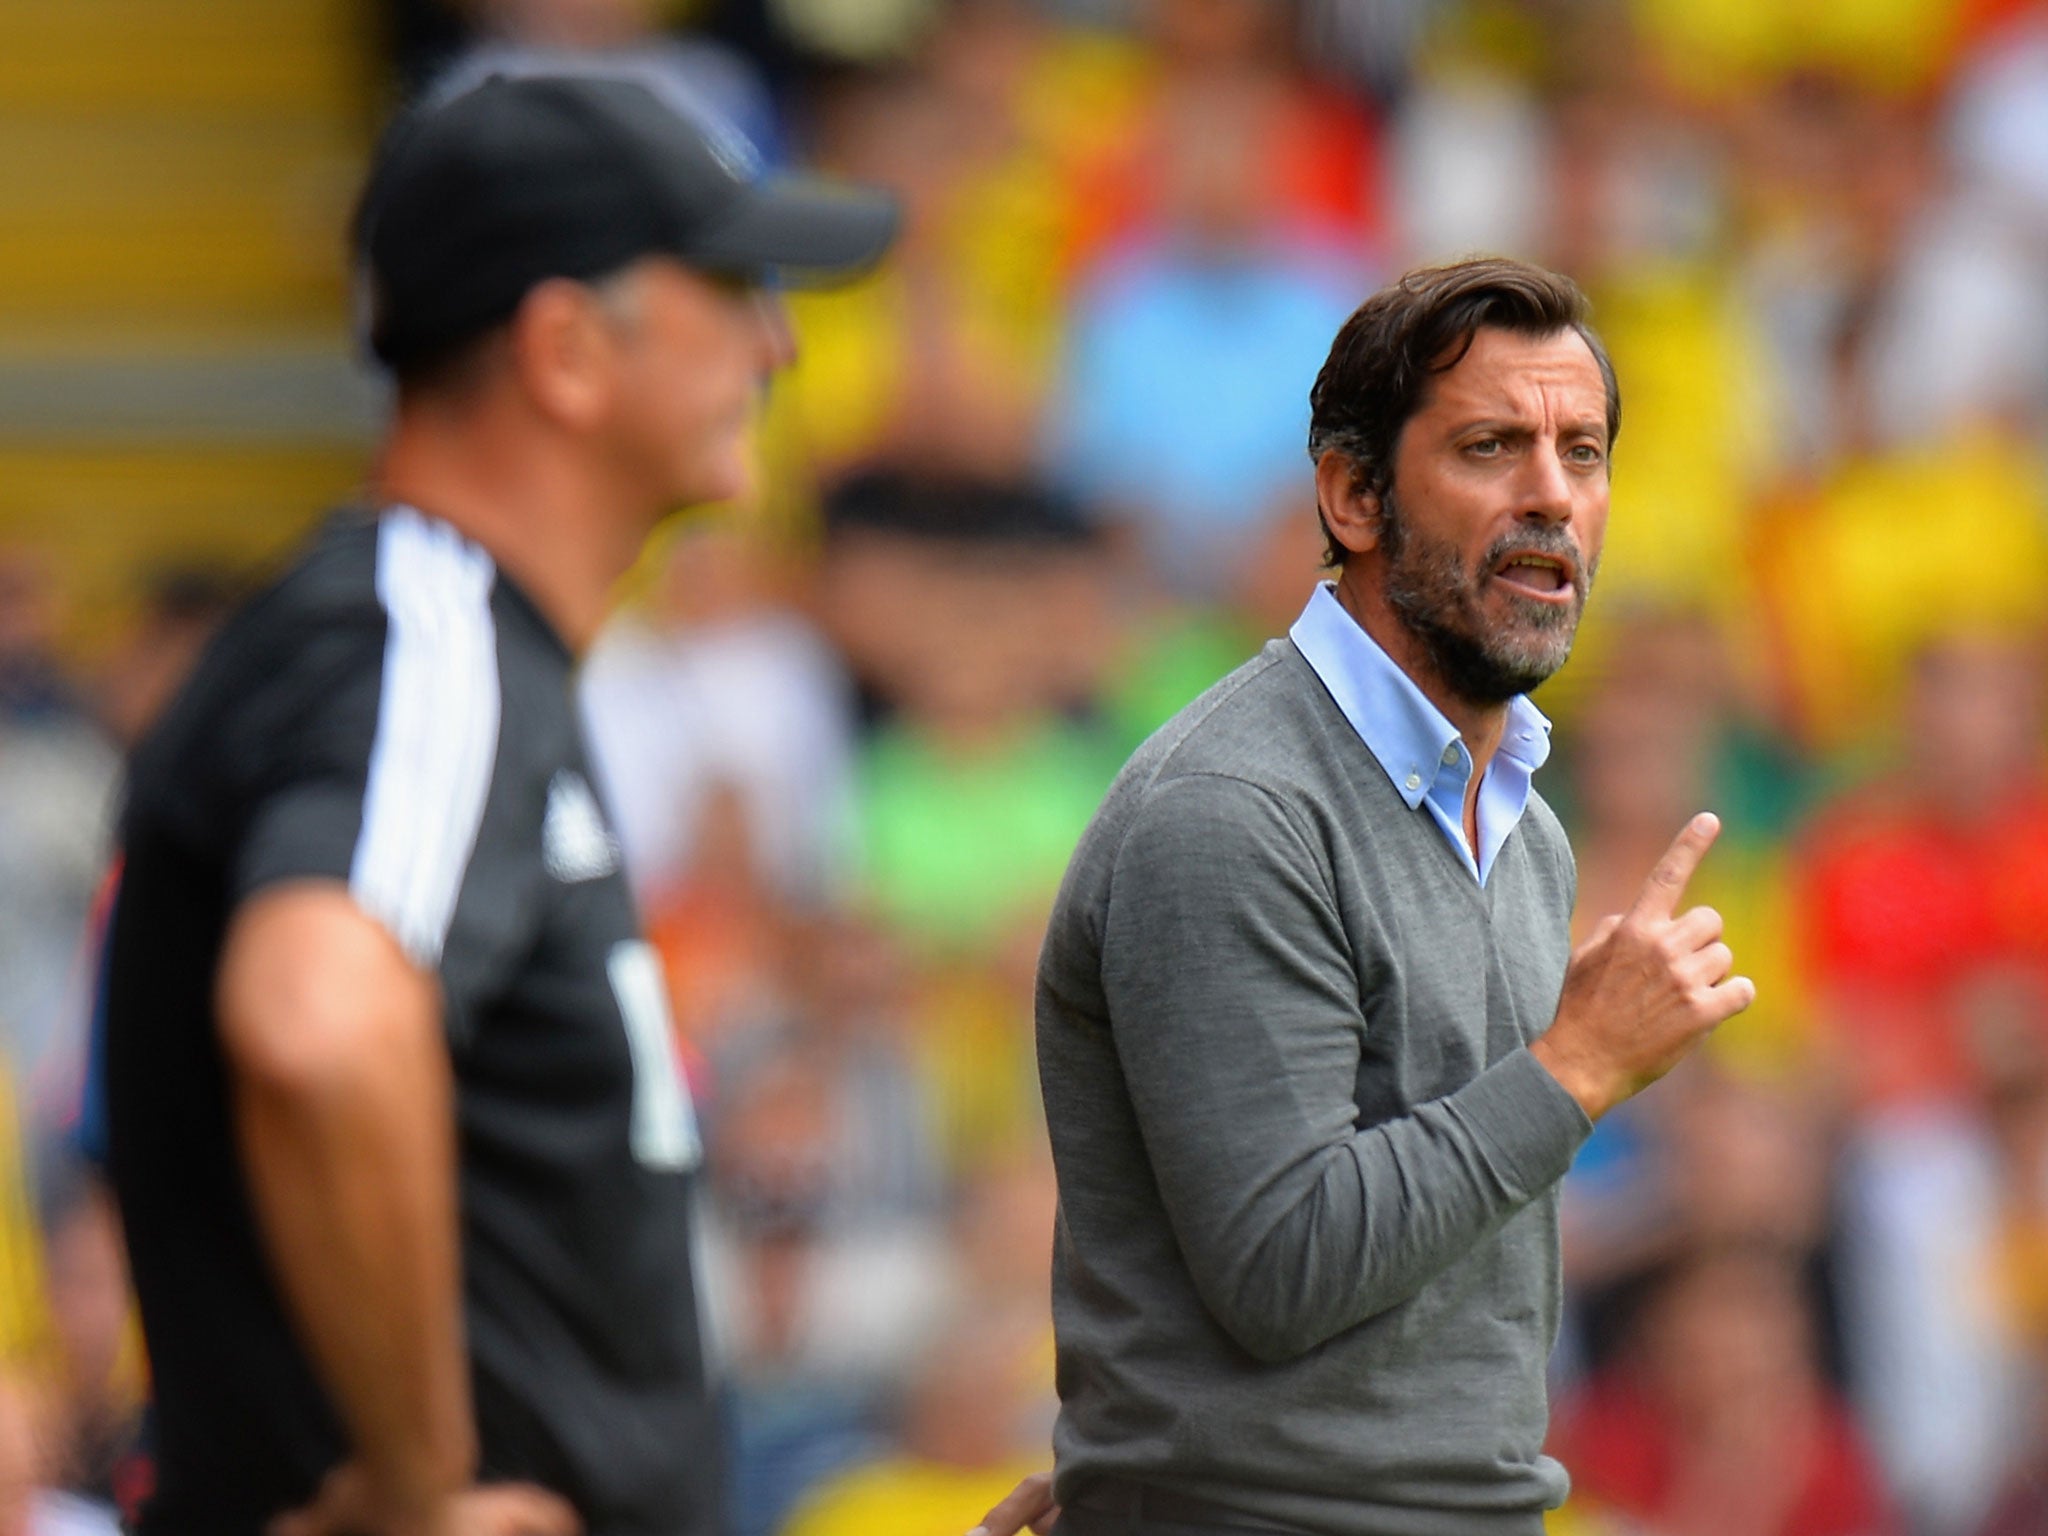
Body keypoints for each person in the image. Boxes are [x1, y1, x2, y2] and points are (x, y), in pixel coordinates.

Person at [96, 72, 895, 1536]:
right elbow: (322, 1023)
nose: (777, 342)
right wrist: (415, 1489)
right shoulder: (424, 633)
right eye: (730, 288)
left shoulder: (453, 648)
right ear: (567, 349)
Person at [1002, 257, 1755, 1536]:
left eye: (1582, 453)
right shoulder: (1232, 809)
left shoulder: (1524, 829)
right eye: (1488, 447)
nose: (1550, 497)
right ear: (1353, 495)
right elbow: (1282, 1266)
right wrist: (1571, 1069)